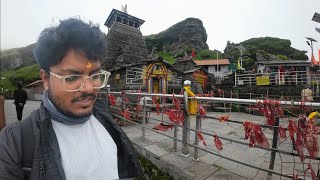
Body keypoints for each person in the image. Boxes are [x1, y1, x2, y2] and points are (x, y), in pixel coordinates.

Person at [0, 18, 143, 179]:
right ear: (46, 79)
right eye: (72, 78)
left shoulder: (106, 120)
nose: (89, 88)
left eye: (95, 75)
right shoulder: (15, 143)